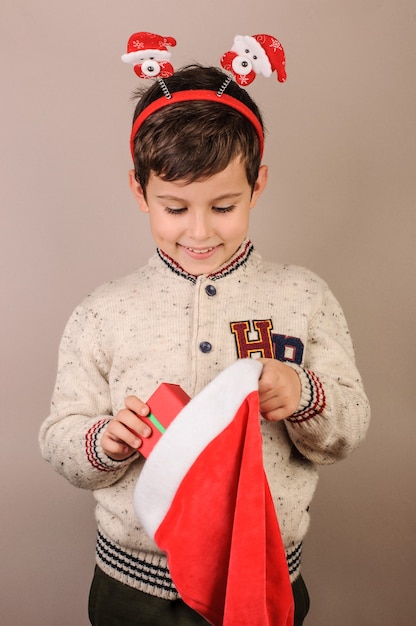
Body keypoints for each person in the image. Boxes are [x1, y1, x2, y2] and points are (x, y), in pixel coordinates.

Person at [39, 64, 370, 626]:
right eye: (175, 208)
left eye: (223, 207)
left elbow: (348, 429)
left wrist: (305, 395)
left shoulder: (302, 296)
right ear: (139, 190)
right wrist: (104, 442)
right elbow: (59, 440)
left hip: (261, 580)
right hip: (134, 590)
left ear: (257, 185)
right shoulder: (103, 312)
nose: (199, 232)